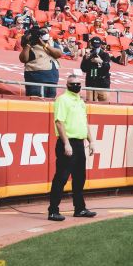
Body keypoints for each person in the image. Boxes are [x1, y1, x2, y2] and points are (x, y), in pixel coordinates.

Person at [48, 70, 97, 221]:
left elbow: (85, 122)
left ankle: (80, 208)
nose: (76, 86)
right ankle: (53, 210)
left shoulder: (80, 101)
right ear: (67, 85)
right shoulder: (62, 100)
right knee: (61, 178)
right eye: (73, 84)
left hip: (80, 143)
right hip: (67, 143)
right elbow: (59, 122)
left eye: (78, 84)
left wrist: (91, 140)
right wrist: (66, 143)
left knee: (79, 178)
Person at [20, 27, 63, 98]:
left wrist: (45, 45)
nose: (45, 34)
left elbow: (59, 54)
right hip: (36, 79)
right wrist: (28, 44)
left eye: (46, 32)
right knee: (36, 103)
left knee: (50, 104)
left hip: (52, 79)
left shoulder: (51, 43)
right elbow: (23, 59)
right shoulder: (31, 44)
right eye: (43, 32)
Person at [81, 36, 112, 102]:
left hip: (103, 83)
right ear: (91, 45)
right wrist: (86, 60)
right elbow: (83, 69)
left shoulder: (105, 55)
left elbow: (107, 68)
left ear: (100, 45)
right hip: (91, 82)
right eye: (94, 46)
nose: (96, 48)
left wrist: (100, 61)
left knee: (105, 104)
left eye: (97, 46)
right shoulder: (88, 55)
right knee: (90, 104)